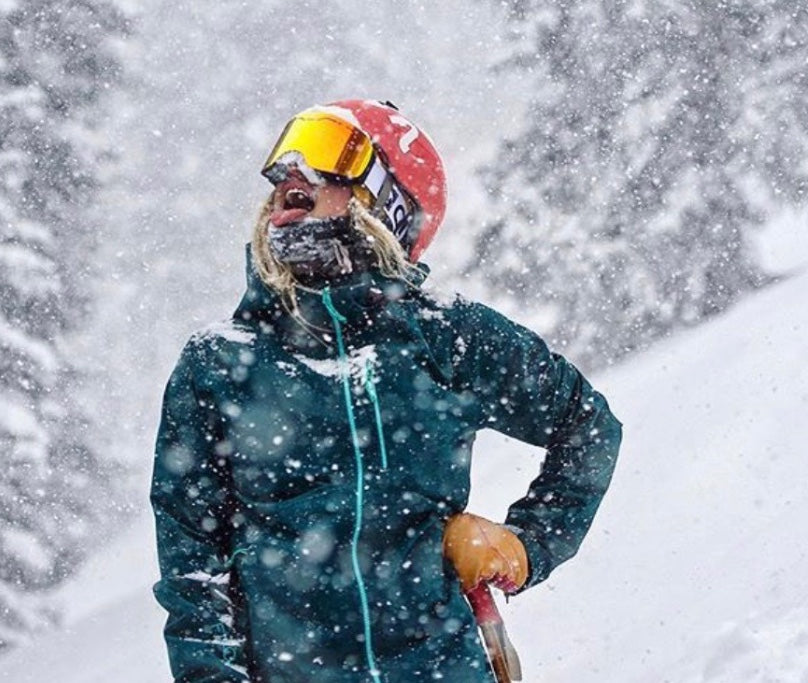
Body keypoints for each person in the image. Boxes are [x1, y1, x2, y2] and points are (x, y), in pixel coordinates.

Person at [151, 99, 622, 682]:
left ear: (389, 204)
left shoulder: (446, 336)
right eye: (284, 151)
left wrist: (526, 545)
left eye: (325, 149)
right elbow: (194, 565)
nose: (287, 172)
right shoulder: (221, 363)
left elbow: (588, 426)